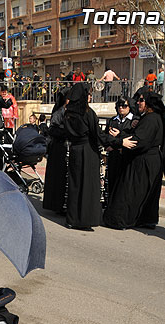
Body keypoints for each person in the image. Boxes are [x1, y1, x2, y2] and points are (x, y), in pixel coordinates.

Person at [103, 91, 165, 230]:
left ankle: (120, 220)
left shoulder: (151, 119)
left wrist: (119, 141)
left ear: (149, 103)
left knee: (129, 191)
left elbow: (139, 141)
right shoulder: (151, 118)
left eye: (142, 100)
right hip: (149, 160)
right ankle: (144, 219)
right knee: (144, 193)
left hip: (144, 161)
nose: (138, 103)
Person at [64, 83, 112, 230]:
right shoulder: (87, 112)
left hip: (75, 150)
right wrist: (116, 142)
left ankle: (72, 219)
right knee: (88, 186)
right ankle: (85, 219)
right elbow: (97, 134)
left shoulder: (68, 113)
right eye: (88, 94)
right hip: (88, 150)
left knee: (75, 184)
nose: (90, 97)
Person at [42, 87, 70, 213]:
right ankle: (57, 205)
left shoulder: (69, 111)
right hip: (58, 148)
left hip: (64, 147)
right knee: (58, 178)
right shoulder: (59, 112)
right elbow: (53, 130)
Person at [104, 96, 134, 196]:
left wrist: (119, 137)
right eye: (119, 106)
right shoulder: (113, 120)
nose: (121, 108)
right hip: (113, 155)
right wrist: (111, 145)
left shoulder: (133, 121)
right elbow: (106, 137)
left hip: (127, 156)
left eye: (124, 106)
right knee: (112, 181)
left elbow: (131, 138)